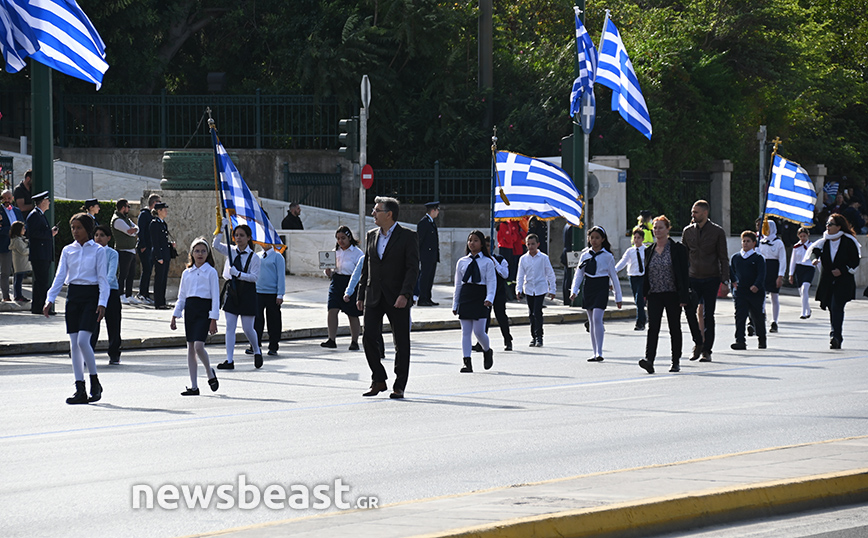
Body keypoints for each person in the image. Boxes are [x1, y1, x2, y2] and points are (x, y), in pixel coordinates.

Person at [356, 196, 419, 399]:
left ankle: (399, 385)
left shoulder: (407, 236)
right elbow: (366, 267)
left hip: (397, 297)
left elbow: (412, 269)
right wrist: (360, 294)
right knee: (368, 337)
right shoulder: (371, 235)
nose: (373, 213)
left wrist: (405, 294)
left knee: (401, 341)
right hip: (373, 295)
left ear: (389, 214)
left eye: (377, 210)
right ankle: (378, 378)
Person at [44, 213, 109, 405]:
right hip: (73, 296)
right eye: (73, 228)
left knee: (82, 340)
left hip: (91, 296)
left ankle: (95, 381)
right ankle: (80, 389)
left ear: (88, 229)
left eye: (79, 227)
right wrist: (50, 298)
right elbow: (60, 276)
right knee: (74, 344)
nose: (75, 231)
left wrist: (102, 302)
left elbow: (103, 279)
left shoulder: (98, 251)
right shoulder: (68, 250)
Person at [639, 216, 689, 374]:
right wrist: (644, 293)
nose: (657, 231)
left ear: (668, 229)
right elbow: (646, 274)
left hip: (672, 293)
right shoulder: (649, 251)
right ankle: (649, 360)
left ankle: (675, 361)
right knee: (653, 328)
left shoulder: (677, 249)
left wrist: (684, 296)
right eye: (655, 228)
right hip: (654, 294)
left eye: (660, 228)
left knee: (674, 327)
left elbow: (684, 274)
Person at [171, 237, 220, 396]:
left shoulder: (211, 272)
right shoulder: (187, 273)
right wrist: (175, 315)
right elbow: (182, 296)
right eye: (197, 251)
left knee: (199, 346)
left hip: (204, 311)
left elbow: (215, 298)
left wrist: (213, 319)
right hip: (191, 311)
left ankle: (209, 372)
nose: (200, 254)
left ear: (208, 253)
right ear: (192, 253)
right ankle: (194, 386)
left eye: (203, 251)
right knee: (191, 348)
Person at [682, 200, 729, 362]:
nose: (693, 215)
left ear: (705, 213)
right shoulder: (688, 231)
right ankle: (698, 342)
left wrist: (725, 281)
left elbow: (723, 258)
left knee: (708, 314)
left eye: (696, 212)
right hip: (693, 278)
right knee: (689, 311)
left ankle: (707, 350)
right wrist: (682, 280)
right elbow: (683, 258)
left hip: (711, 278)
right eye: (692, 212)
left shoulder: (717, 232)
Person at [569, 226, 623, 361]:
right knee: (592, 321)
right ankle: (594, 352)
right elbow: (579, 274)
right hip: (589, 287)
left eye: (597, 238)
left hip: (601, 287)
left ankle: (600, 352)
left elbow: (614, 277)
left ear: (603, 239)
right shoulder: (585, 255)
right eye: (592, 237)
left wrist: (618, 297)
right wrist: (574, 291)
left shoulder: (608, 256)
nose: (594, 240)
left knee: (598, 318)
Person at [809, 214, 861, 349]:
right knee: (831, 307)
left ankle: (835, 336)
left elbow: (855, 260)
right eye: (827, 224)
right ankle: (836, 334)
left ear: (838, 227)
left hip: (843, 281)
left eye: (831, 224)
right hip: (827, 280)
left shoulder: (848, 241)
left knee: (837, 305)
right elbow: (815, 251)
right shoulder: (824, 241)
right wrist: (814, 259)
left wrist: (842, 270)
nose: (828, 226)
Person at [213, 225, 263, 369]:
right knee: (230, 326)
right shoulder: (231, 250)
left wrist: (238, 274)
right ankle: (229, 360)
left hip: (247, 291)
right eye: (236, 235)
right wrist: (220, 229)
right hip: (233, 290)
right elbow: (216, 245)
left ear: (248, 238)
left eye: (242, 235)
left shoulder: (254, 257)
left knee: (248, 328)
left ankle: (257, 349)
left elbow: (254, 277)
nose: (238, 238)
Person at [453, 230, 496, 373]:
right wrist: (455, 304)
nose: (472, 243)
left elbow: (491, 282)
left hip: (480, 296)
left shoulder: (487, 262)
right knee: (466, 332)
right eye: (470, 240)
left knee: (479, 332)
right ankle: (467, 362)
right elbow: (458, 284)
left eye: (476, 240)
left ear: (482, 243)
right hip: (466, 295)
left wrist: (489, 298)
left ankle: (487, 350)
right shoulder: (462, 262)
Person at [322, 226, 364, 350]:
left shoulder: (357, 253)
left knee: (352, 313)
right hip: (337, 281)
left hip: (351, 282)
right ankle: (331, 339)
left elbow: (361, 271)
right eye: (338, 238)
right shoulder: (335, 252)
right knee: (332, 309)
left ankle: (354, 341)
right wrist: (328, 272)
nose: (341, 241)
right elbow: (330, 270)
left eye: (343, 238)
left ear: (349, 237)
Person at [90, 225, 123, 365]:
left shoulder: (112, 253)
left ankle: (114, 353)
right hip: (95, 292)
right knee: (92, 325)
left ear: (108, 238)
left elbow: (111, 274)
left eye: (102, 235)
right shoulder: (90, 252)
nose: (98, 238)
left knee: (113, 324)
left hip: (111, 291)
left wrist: (103, 286)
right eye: (96, 235)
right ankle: (87, 352)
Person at [517, 233, 556, 347]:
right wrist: (518, 289)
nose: (531, 246)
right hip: (529, 288)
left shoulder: (543, 258)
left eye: (533, 244)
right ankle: (533, 337)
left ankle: (539, 336)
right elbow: (520, 275)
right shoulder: (523, 259)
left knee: (537, 312)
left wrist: (552, 289)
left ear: (538, 244)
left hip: (540, 288)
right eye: (528, 244)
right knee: (531, 313)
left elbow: (550, 274)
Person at [730, 231, 767, 351]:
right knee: (740, 316)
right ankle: (740, 340)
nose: (745, 243)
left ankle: (762, 338)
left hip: (755, 292)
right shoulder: (736, 258)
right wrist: (733, 286)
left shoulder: (758, 258)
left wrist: (757, 285)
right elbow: (732, 273)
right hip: (740, 292)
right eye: (743, 241)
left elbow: (761, 274)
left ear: (754, 243)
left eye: (748, 241)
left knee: (757, 316)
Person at [26, 191, 58, 314]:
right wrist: (50, 233)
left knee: (40, 282)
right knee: (42, 282)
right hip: (39, 255)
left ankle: (37, 307)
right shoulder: (34, 215)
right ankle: (42, 307)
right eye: (47, 200)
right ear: (43, 202)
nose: (49, 202)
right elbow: (33, 233)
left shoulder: (39, 215)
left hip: (43, 254)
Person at [253, 243, 285, 356]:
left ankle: (273, 345)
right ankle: (255, 344)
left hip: (272, 293)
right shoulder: (257, 256)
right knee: (256, 319)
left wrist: (280, 294)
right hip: (258, 292)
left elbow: (281, 276)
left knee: (273, 320)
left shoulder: (277, 256)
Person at [756, 219, 786, 334]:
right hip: (763, 269)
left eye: (767, 228)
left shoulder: (778, 243)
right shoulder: (760, 242)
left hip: (774, 270)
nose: (765, 230)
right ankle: (761, 317)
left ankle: (774, 321)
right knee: (761, 295)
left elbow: (782, 260)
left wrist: (780, 276)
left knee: (774, 296)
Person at [615, 227, 647, 330]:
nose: (636, 240)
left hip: (642, 277)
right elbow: (623, 262)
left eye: (638, 238)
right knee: (637, 300)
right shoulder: (630, 251)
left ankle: (640, 322)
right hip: (633, 276)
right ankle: (643, 318)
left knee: (639, 298)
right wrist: (614, 270)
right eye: (635, 237)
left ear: (642, 239)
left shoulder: (646, 250)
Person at [111, 199, 139, 305]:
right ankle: (121, 294)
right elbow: (129, 232)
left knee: (131, 274)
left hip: (131, 250)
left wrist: (134, 230)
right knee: (123, 274)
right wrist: (133, 230)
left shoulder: (125, 218)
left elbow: (136, 228)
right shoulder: (117, 220)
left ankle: (129, 295)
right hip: (123, 250)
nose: (129, 209)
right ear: (123, 207)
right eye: (128, 206)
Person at [136, 193, 161, 304]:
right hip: (145, 247)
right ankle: (142, 293)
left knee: (149, 270)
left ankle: (145, 293)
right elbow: (141, 231)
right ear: (154, 203)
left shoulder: (153, 215)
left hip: (151, 247)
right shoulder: (144, 214)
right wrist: (143, 245)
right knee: (146, 270)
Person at [149, 202, 174, 310]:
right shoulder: (154, 224)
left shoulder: (163, 223)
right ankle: (158, 302)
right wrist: (158, 257)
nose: (166, 212)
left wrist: (170, 245)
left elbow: (163, 240)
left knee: (163, 279)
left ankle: (162, 301)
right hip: (160, 255)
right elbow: (155, 242)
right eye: (164, 210)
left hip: (165, 254)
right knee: (159, 279)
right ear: (159, 211)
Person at [1, 189, 24, 301]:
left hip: (18, 245)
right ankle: (5, 296)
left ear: (13, 199)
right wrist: (11, 230)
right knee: (5, 272)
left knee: (19, 271)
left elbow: (23, 225)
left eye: (9, 198)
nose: (7, 200)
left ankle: (18, 295)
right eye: (4, 198)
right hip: (5, 245)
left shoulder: (17, 210)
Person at [416, 201, 440, 306]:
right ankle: (422, 298)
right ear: (433, 210)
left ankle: (428, 298)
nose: (438, 212)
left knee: (430, 277)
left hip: (432, 256)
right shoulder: (424, 222)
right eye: (437, 210)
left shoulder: (431, 222)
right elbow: (419, 240)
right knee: (425, 277)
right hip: (426, 255)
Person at [789, 227, 815, 319]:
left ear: (808, 236)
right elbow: (793, 261)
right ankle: (808, 309)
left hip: (809, 268)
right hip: (799, 269)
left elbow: (816, 257)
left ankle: (803, 312)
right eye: (801, 236)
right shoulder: (796, 246)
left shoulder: (812, 246)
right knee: (801, 292)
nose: (803, 238)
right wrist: (791, 274)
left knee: (805, 289)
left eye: (804, 236)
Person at [10, 221, 29, 302]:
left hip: (21, 263)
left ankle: (18, 295)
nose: (24, 230)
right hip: (20, 263)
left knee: (18, 279)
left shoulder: (19, 239)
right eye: (23, 228)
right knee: (18, 280)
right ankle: (18, 295)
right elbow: (23, 251)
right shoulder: (17, 240)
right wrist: (31, 250)